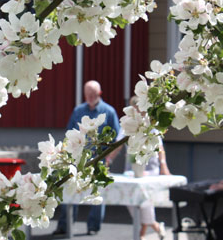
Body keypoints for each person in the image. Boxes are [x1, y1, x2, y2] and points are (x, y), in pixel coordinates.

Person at [53, 80, 120, 237]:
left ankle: (93, 227)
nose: (90, 97)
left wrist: (109, 158)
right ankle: (65, 224)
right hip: (78, 158)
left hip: (100, 158)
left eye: (93, 94)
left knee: (97, 193)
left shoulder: (108, 112)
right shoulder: (78, 110)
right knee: (71, 189)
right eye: (87, 94)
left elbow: (117, 138)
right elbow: (69, 135)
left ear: (99, 94)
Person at [105, 96, 170, 240]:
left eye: (137, 108)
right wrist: (108, 160)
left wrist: (163, 165)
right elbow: (119, 145)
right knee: (131, 200)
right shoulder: (127, 125)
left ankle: (140, 234)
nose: (135, 111)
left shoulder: (151, 123)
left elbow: (159, 147)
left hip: (149, 166)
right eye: (132, 109)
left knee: (145, 201)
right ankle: (155, 226)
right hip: (133, 167)